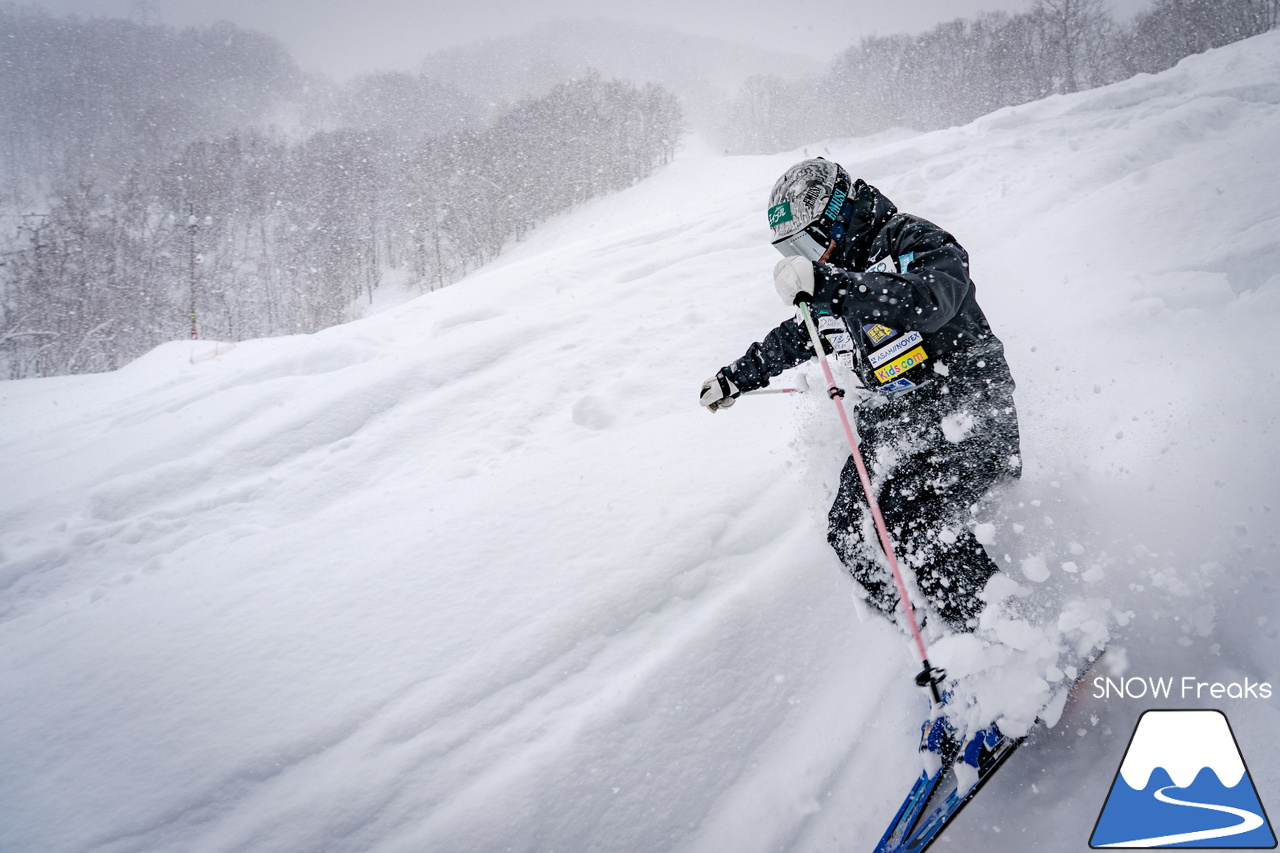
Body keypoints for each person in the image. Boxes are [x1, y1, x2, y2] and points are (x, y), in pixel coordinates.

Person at [700, 158, 1021, 633]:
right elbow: (796, 337)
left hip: (968, 403)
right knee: (848, 529)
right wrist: (736, 377)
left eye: (808, 242)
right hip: (897, 415)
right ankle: (929, 636)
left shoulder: (912, 240)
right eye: (792, 249)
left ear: (838, 213)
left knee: (912, 515)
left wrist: (834, 285)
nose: (810, 258)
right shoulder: (835, 283)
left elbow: (930, 302)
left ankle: (1012, 641)